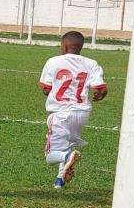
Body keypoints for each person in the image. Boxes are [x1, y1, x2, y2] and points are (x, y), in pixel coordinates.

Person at [39, 31, 107, 189]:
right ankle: (60, 179)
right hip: (82, 113)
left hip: (61, 113)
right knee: (67, 143)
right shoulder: (91, 63)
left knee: (51, 155)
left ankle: (68, 156)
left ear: (63, 46)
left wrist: (51, 91)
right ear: (81, 47)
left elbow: (45, 87)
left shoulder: (53, 62)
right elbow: (101, 88)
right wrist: (101, 94)